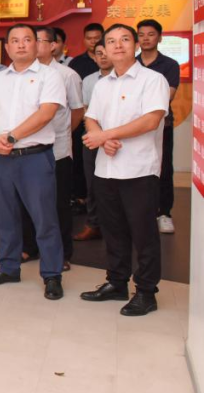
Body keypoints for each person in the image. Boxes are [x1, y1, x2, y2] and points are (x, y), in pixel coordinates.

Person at [81, 24, 170, 316]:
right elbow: (91, 117)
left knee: (143, 234)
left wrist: (105, 136)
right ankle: (117, 282)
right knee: (113, 230)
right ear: (103, 49)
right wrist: (101, 136)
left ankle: (146, 292)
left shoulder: (152, 80)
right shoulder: (103, 83)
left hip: (139, 170)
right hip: (106, 169)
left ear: (136, 45)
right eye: (111, 41)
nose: (117, 45)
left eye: (124, 40)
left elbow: (151, 120)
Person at [0, 24, 66, 300]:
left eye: (27, 39)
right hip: (0, 157)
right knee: (4, 217)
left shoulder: (50, 76)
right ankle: (8, 267)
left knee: (44, 218)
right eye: (14, 41)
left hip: (34, 157)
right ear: (7, 47)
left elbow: (46, 113)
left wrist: (11, 137)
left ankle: (51, 275)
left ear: (37, 44)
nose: (21, 45)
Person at [21, 27, 84, 271]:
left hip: (57, 150)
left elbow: (77, 111)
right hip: (26, 148)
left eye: (37, 40)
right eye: (29, 40)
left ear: (53, 45)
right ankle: (30, 246)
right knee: (27, 201)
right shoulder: (20, 74)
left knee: (57, 204)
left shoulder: (67, 75)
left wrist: (63, 134)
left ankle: (63, 253)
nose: (31, 44)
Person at [136, 19, 180, 234]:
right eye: (141, 34)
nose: (146, 38)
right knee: (137, 170)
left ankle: (164, 213)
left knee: (163, 169)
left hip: (161, 125)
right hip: (133, 127)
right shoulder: (131, 63)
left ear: (160, 38)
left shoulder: (169, 65)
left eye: (151, 34)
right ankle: (142, 213)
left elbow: (166, 96)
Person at [74, 40, 113, 242]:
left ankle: (117, 227)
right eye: (99, 53)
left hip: (119, 138)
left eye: (106, 52)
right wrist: (97, 134)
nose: (103, 56)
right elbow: (85, 111)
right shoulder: (89, 81)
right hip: (92, 137)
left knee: (117, 185)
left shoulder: (126, 79)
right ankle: (93, 224)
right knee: (92, 183)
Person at [69, 23, 105, 211]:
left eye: (97, 38)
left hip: (116, 132)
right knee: (87, 170)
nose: (93, 42)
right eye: (89, 38)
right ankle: (86, 206)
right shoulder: (78, 66)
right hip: (87, 128)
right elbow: (82, 105)